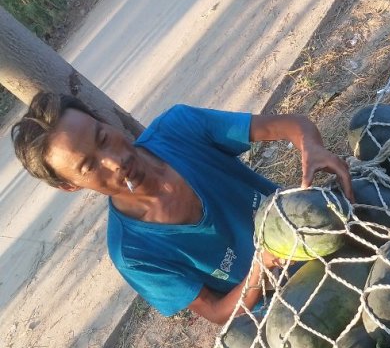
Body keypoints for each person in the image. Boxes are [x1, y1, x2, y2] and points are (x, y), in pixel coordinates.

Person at [11, 97, 352, 324]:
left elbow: (291, 125)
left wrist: (312, 147)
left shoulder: (179, 128)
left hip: (319, 233)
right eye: (88, 166)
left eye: (102, 137)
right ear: (69, 186)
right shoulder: (133, 253)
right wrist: (259, 268)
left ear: (107, 122)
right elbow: (218, 312)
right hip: (288, 302)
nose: (114, 161)